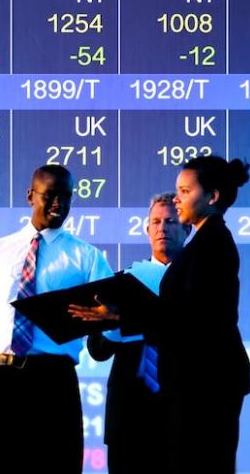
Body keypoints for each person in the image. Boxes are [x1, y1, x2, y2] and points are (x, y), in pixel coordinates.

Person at [71, 155, 250, 474]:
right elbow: (182, 318)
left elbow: (190, 320)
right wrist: (114, 319)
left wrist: (122, 315)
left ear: (212, 197)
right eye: (155, 221)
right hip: (147, 410)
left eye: (184, 191)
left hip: (200, 393)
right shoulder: (203, 246)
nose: (178, 199)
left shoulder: (210, 245)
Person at [0, 164, 112, 474]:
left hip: (52, 384)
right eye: (50, 196)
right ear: (30, 196)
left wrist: (108, 323)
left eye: (66, 196)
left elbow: (110, 322)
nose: (59, 204)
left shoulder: (87, 258)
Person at [85, 192, 186, 474]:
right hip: (128, 416)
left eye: (170, 221)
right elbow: (98, 350)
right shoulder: (120, 282)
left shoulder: (200, 283)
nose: (162, 228)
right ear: (146, 229)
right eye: (155, 222)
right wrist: (113, 324)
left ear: (187, 227)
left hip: (183, 415)